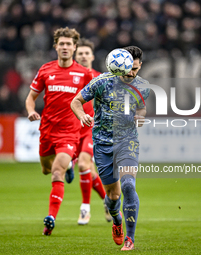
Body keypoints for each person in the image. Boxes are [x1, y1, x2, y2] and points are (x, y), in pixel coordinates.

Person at [71, 46, 150, 250]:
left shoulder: (143, 86)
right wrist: (82, 116)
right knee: (113, 197)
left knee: (128, 186)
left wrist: (140, 115)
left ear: (140, 65)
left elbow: (141, 106)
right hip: (103, 144)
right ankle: (116, 220)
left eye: (135, 68)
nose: (131, 73)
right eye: (127, 69)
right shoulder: (101, 82)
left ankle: (130, 238)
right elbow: (76, 101)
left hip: (127, 142)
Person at [25, 27, 93, 236]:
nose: (65, 47)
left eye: (68, 44)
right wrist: (30, 111)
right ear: (56, 46)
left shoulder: (84, 74)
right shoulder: (46, 70)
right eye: (61, 44)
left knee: (56, 172)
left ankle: (50, 219)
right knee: (46, 169)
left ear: (74, 48)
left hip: (69, 133)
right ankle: (70, 167)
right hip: (47, 130)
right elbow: (31, 98)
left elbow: (95, 99)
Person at [73, 38, 112, 224]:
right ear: (75, 56)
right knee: (90, 172)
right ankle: (108, 201)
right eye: (80, 53)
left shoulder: (99, 78)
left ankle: (85, 209)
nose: (83, 56)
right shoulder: (68, 76)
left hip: (91, 128)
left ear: (92, 56)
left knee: (82, 165)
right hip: (72, 130)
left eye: (86, 53)